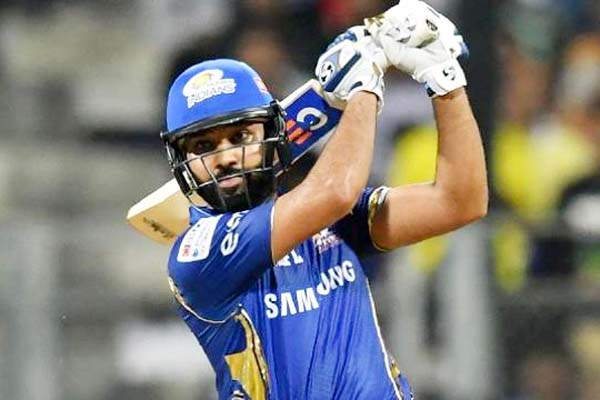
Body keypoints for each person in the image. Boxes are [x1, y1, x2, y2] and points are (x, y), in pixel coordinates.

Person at [160, 1, 487, 398]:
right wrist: (364, 86)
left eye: (240, 137)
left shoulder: (330, 220)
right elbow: (335, 192)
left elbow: (460, 201)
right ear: (180, 161)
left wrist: (445, 82)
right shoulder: (198, 255)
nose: (226, 157)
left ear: (273, 136)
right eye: (204, 146)